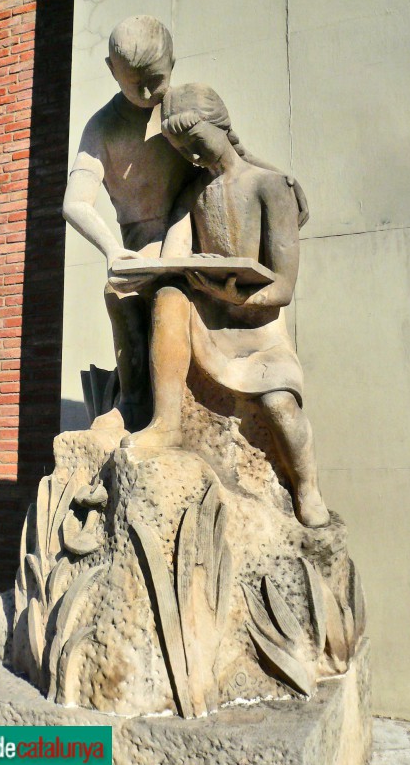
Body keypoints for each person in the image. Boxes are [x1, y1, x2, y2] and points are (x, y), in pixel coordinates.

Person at [63, 16, 309, 432]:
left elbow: (232, 151)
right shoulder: (102, 127)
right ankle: (134, 401)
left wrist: (282, 181)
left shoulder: (180, 108)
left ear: (173, 63)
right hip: (144, 243)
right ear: (111, 71)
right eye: (134, 83)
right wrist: (111, 249)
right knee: (119, 292)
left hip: (199, 229)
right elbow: (74, 203)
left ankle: (169, 417)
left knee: (170, 294)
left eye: (155, 80)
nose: (147, 93)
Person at [120, 83, 329, 529]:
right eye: (182, 149)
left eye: (196, 141)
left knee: (279, 406)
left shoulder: (271, 187)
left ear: (221, 126)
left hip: (259, 332)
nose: (192, 156)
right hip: (210, 324)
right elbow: (173, 259)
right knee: (169, 294)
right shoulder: (192, 196)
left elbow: (283, 289)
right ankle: (166, 423)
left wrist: (235, 294)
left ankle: (306, 486)